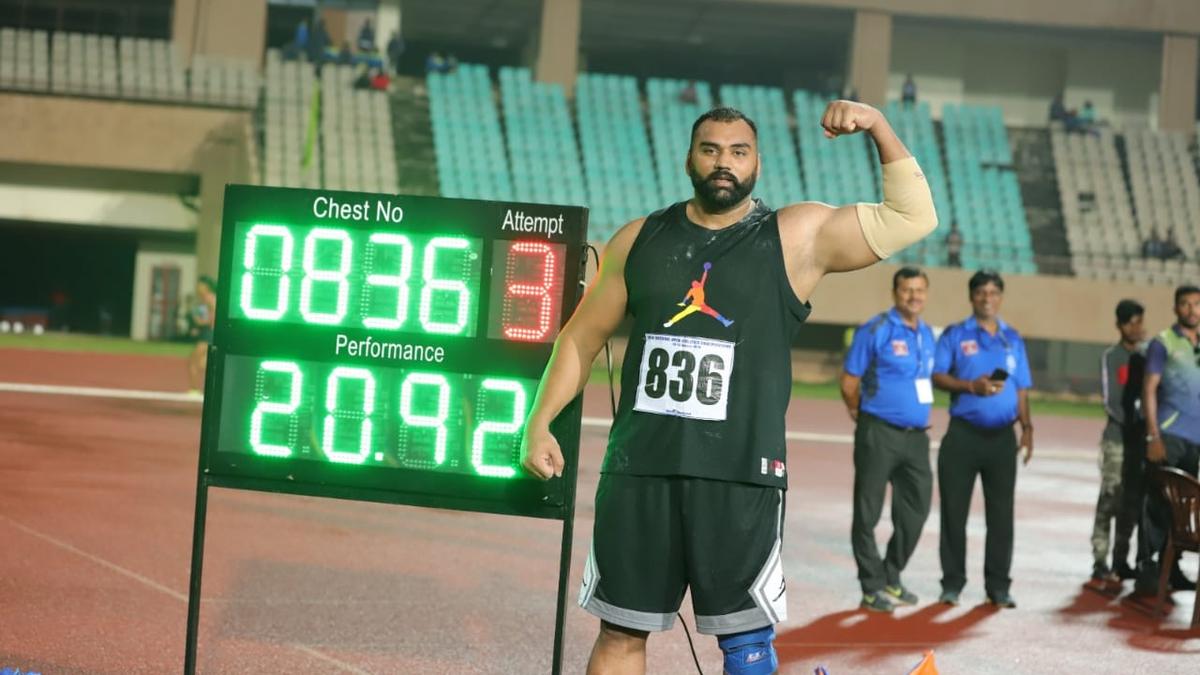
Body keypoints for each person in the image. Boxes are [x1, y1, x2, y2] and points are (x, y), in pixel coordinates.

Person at [520, 101, 938, 675]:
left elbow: (911, 217)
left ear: (757, 162)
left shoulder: (796, 236)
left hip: (742, 476)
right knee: (620, 632)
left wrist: (877, 126)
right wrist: (538, 421)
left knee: (745, 643)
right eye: (711, 150)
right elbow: (578, 339)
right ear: (689, 158)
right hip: (641, 470)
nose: (724, 163)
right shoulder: (638, 240)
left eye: (738, 152)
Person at [931, 269, 1033, 609]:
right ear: (972, 297)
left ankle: (999, 586)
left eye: (993, 292)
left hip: (1003, 439)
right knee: (954, 513)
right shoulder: (956, 335)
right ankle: (952, 584)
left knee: (1001, 516)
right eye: (981, 292)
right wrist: (970, 386)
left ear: (1000, 297)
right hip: (963, 436)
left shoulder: (1013, 339)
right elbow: (939, 376)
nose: (987, 298)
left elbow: (1021, 388)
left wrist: (1027, 427)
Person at [840, 267, 936, 613]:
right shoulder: (876, 329)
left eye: (920, 290)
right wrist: (861, 415)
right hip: (878, 432)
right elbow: (849, 381)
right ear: (896, 293)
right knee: (867, 513)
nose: (914, 296)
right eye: (907, 290)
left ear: (926, 294)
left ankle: (891, 575)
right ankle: (871, 586)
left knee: (916, 511)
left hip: (916, 439)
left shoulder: (926, 334)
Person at [1132, 284, 1200, 599]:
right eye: (1185, 304)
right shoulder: (1164, 343)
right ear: (1176, 309)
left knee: (1183, 508)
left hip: (1195, 442)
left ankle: (1172, 569)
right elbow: (1149, 390)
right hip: (1169, 437)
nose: (1191, 310)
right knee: (1159, 504)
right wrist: (1153, 435)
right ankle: (1147, 569)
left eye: (1197, 304)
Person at [1089, 300, 1145, 584]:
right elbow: (1111, 400)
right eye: (1130, 323)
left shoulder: (1150, 356)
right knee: (1111, 496)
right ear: (1119, 325)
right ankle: (1100, 558)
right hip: (1117, 440)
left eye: (1139, 322)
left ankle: (1121, 559)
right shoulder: (1111, 357)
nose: (1136, 328)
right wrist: (1134, 423)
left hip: (1141, 443)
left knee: (1132, 501)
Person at [187, 275, 217, 395]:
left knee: (194, 361)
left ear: (206, 287)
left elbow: (214, 317)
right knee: (203, 363)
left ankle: (194, 390)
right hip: (206, 332)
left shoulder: (210, 298)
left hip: (209, 333)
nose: (198, 287)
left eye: (200, 285)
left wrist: (201, 322)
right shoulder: (203, 300)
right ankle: (210, 387)